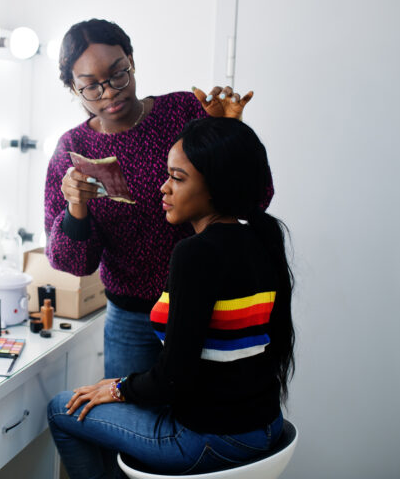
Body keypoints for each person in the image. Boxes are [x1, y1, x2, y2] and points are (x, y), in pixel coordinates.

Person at [47, 116, 295, 477]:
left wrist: (117, 388)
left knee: (61, 409)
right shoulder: (262, 238)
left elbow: (172, 379)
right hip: (264, 428)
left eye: (177, 178)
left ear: (217, 187)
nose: (163, 188)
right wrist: (123, 388)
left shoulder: (196, 253)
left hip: (205, 440)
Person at [44, 18, 261, 380]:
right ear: (72, 87)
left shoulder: (184, 113)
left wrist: (231, 134)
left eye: (118, 75)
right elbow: (75, 263)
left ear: (131, 59)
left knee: (202, 420)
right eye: (91, 87)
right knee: (130, 422)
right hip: (132, 320)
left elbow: (256, 199)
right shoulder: (73, 149)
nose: (110, 92)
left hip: (209, 304)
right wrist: (76, 208)